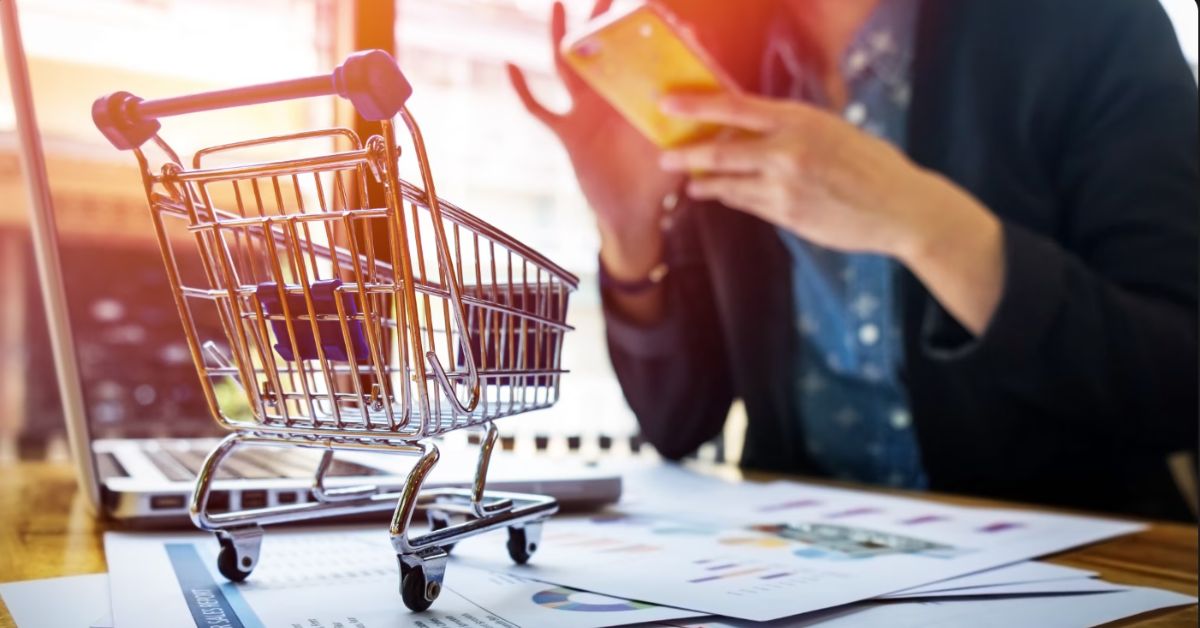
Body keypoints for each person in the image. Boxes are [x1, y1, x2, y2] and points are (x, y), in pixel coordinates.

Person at [507, 0, 1199, 519]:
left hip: (1076, 563)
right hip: (807, 567)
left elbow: (1176, 383)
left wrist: (928, 224)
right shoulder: (719, 53)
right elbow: (678, 423)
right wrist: (628, 229)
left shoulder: (1090, 23)